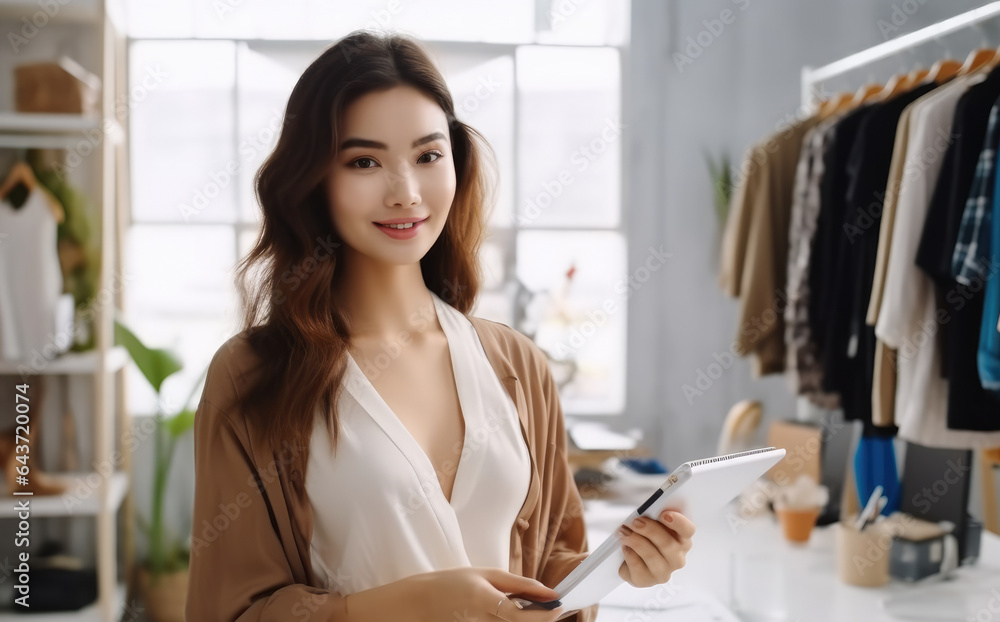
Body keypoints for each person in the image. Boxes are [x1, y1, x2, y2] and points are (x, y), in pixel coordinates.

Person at [185, 29, 695, 622]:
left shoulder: (517, 363)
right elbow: (233, 610)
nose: (405, 193)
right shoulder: (252, 374)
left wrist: (622, 563)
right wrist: (421, 603)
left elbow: (552, 561)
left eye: (428, 156)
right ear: (314, 179)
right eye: (365, 161)